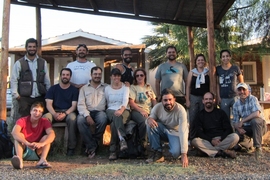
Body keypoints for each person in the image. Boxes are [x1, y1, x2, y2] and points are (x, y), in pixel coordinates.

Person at [145, 88, 189, 167]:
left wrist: (184, 153)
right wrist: (149, 119)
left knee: (176, 153)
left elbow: (183, 131)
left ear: (174, 99)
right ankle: (157, 152)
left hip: (176, 132)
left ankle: (172, 150)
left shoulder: (181, 110)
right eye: (165, 100)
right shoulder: (157, 107)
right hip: (163, 130)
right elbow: (150, 119)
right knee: (150, 124)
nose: (168, 102)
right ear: (161, 100)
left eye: (170, 99)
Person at [10, 38, 51, 118]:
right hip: (24, 97)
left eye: (34, 47)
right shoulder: (19, 63)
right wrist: (16, 95)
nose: (32, 48)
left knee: (40, 119)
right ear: (26, 48)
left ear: (36, 48)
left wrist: (48, 93)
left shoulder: (43, 62)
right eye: (30, 47)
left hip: (40, 96)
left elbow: (47, 79)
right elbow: (14, 79)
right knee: (25, 119)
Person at [43, 68, 79, 156]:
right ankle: (44, 145)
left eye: (67, 75)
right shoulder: (53, 88)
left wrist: (65, 114)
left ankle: (71, 147)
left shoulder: (74, 90)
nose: (65, 77)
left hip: (68, 112)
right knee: (45, 118)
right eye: (63, 75)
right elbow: (48, 104)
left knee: (72, 119)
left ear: (70, 77)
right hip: (54, 111)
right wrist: (54, 114)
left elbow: (74, 105)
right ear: (60, 76)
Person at [192, 92, 239, 159]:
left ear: (214, 100)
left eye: (210, 99)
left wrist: (221, 138)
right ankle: (221, 152)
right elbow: (199, 132)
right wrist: (211, 140)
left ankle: (208, 152)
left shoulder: (221, 113)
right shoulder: (200, 115)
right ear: (203, 101)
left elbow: (228, 128)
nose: (208, 101)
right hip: (207, 141)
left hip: (221, 140)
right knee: (195, 141)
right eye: (206, 99)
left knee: (235, 137)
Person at [11, 102, 55, 169]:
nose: (37, 113)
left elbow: (52, 134)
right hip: (24, 149)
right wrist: (27, 143)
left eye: (40, 111)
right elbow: (14, 133)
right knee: (19, 135)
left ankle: (42, 160)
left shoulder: (44, 121)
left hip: (37, 149)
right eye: (35, 110)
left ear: (42, 114)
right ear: (30, 111)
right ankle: (19, 160)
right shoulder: (22, 120)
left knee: (47, 137)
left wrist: (42, 144)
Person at [77, 66, 108, 158]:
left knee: (103, 119)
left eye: (99, 74)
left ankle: (91, 145)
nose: (97, 76)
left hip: (100, 112)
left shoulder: (106, 87)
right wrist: (87, 116)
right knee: (80, 121)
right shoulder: (84, 88)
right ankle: (92, 146)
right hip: (87, 111)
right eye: (95, 74)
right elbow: (81, 104)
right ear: (91, 75)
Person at [232, 82, 267, 160]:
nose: (242, 92)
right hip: (247, 127)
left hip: (260, 127)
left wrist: (242, 121)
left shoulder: (253, 99)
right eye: (239, 90)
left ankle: (258, 148)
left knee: (255, 121)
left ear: (248, 91)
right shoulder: (236, 105)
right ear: (237, 92)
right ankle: (247, 145)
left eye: (244, 89)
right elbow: (235, 121)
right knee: (236, 134)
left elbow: (256, 113)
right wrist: (239, 128)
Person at [129, 68, 157, 154]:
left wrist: (156, 109)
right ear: (135, 77)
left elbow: (153, 99)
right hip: (137, 111)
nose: (139, 77)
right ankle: (142, 145)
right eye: (137, 75)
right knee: (144, 122)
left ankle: (156, 147)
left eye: (141, 75)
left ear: (145, 76)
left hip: (149, 110)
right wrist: (141, 110)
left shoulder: (148, 87)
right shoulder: (133, 87)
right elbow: (131, 102)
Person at [105, 68, 130, 160]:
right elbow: (107, 101)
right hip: (111, 109)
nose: (117, 77)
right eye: (114, 75)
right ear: (111, 77)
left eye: (118, 76)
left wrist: (121, 110)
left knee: (114, 123)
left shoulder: (125, 87)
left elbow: (125, 100)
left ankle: (112, 151)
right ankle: (122, 140)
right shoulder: (107, 88)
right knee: (116, 116)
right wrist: (117, 111)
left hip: (125, 110)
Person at [185, 54, 210, 139]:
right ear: (196, 62)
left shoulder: (208, 72)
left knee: (204, 118)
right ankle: (192, 138)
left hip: (205, 99)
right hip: (193, 97)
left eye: (202, 60)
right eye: (198, 60)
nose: (200, 61)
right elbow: (188, 86)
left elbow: (211, 86)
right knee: (193, 118)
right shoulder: (192, 72)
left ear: (204, 61)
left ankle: (204, 138)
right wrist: (187, 99)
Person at [216, 49, 243, 119]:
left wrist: (241, 94)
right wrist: (218, 97)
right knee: (225, 119)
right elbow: (217, 84)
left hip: (235, 96)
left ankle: (237, 130)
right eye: (223, 56)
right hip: (223, 97)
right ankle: (228, 130)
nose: (225, 58)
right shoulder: (218, 69)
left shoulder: (235, 68)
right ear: (221, 58)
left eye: (227, 56)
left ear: (230, 57)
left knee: (237, 117)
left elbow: (241, 83)